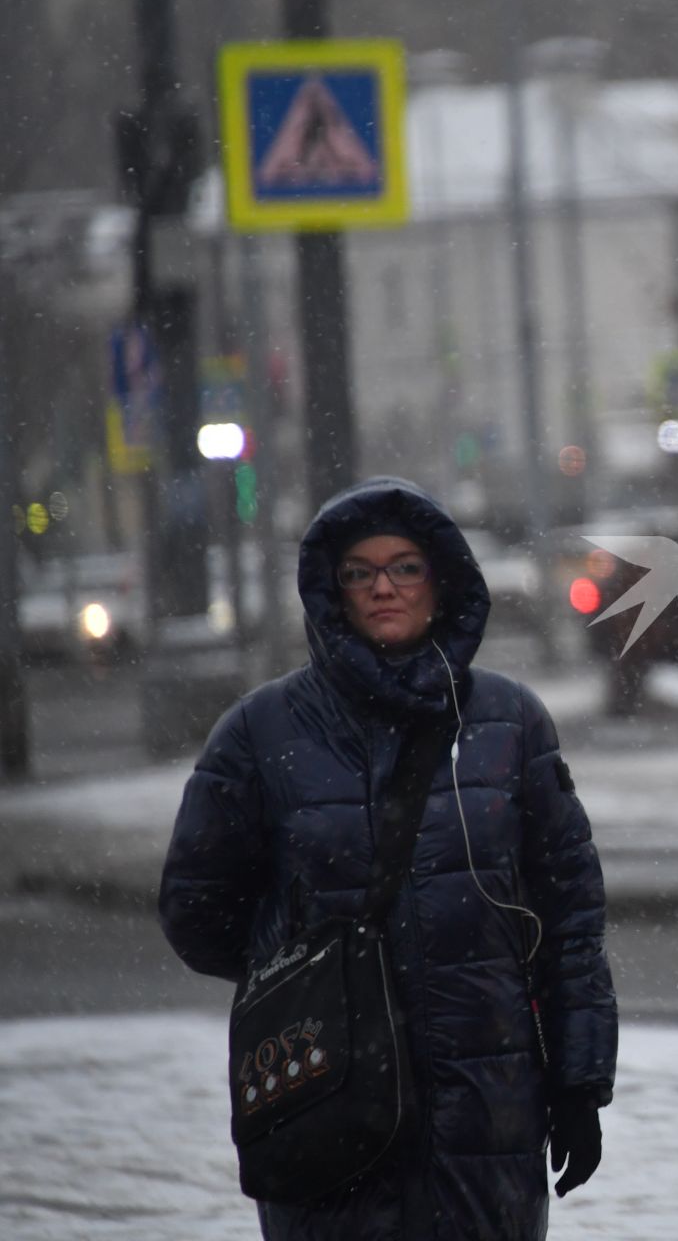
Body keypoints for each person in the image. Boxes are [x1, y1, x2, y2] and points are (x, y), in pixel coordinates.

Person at [159, 476, 617, 1240]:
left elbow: (570, 914)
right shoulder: (260, 732)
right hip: (325, 1103)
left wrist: (580, 1079)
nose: (383, 588)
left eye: (405, 567)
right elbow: (195, 909)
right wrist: (307, 967)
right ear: (330, 590)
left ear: (441, 580)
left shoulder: (509, 723)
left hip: (485, 1105)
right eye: (360, 572)